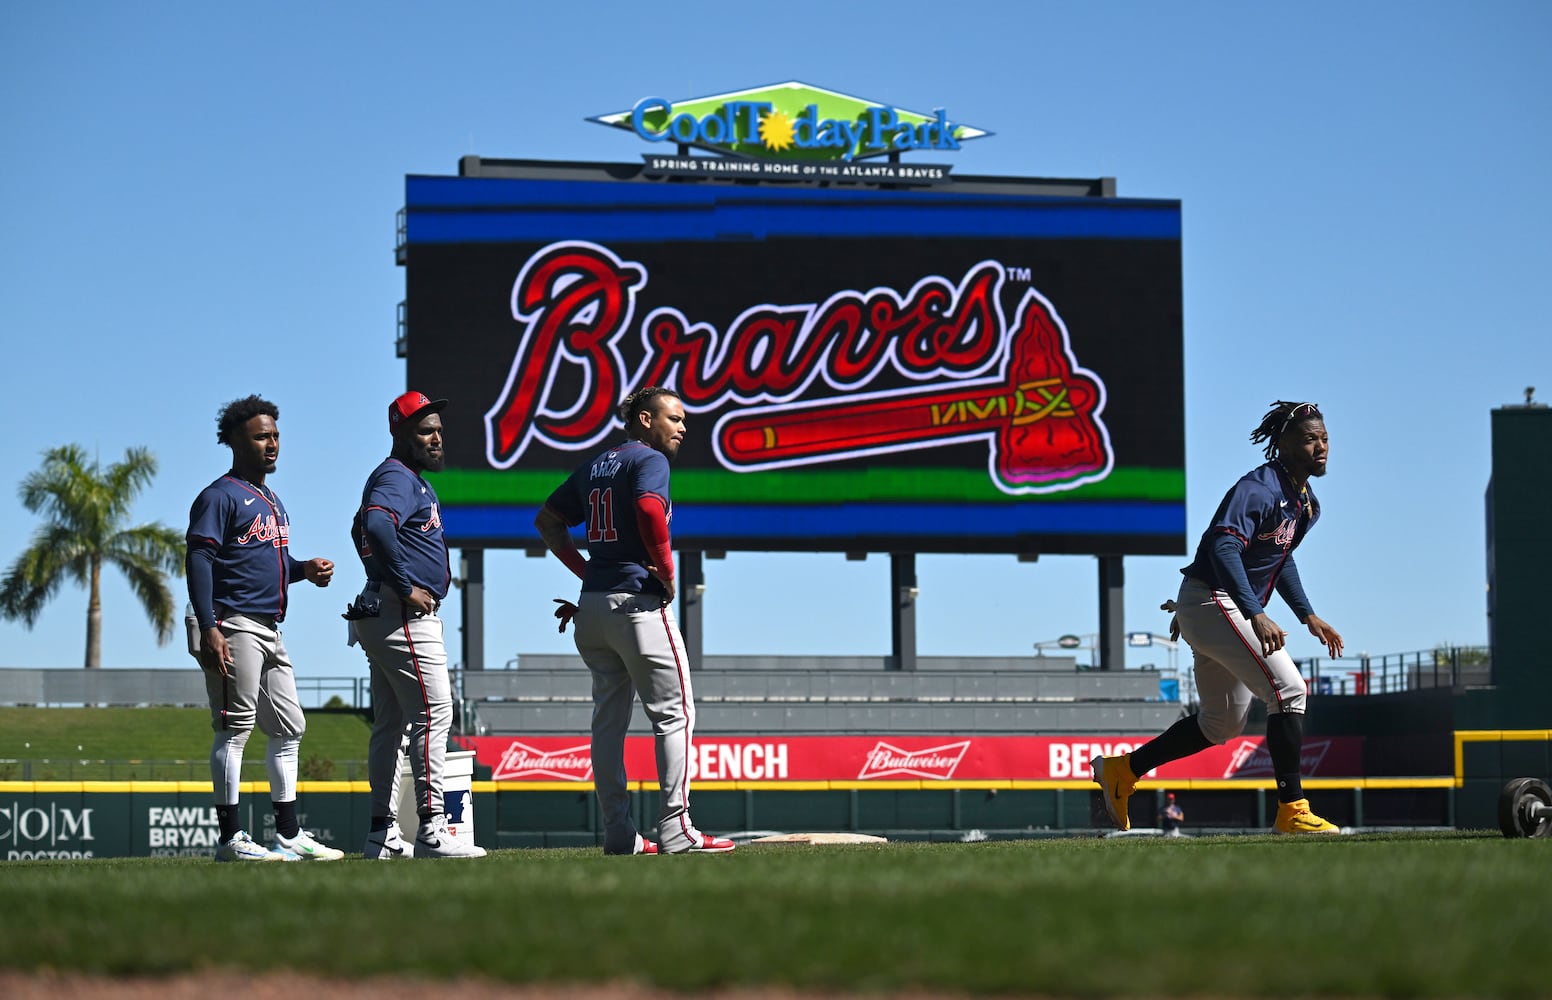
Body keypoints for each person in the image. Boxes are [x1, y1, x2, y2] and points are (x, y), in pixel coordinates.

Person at [1092, 400, 1345, 835]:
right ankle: (1292, 809)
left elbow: (1278, 558)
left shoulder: (1305, 503)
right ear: (1281, 444)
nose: (1320, 446)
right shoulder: (1259, 488)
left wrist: (1307, 614)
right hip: (1215, 599)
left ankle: (1123, 770)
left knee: (1222, 722)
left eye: (1324, 438)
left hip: (1211, 606)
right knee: (1289, 690)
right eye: (1308, 439)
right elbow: (1223, 547)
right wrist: (1256, 613)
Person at [535, 386, 735, 856]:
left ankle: (620, 833)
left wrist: (588, 573)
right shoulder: (650, 461)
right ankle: (675, 828)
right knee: (674, 714)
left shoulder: (596, 464)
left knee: (608, 723)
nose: (683, 427)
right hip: (637, 606)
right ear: (645, 420)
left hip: (595, 609)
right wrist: (666, 571)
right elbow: (648, 508)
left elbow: (547, 520)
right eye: (674, 417)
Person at [185, 394, 344, 861]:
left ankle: (289, 833)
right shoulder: (220, 495)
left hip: (269, 626)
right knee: (234, 729)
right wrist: (211, 626)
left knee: (289, 727)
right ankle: (231, 838)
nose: (272, 443)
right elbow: (199, 559)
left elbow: (262, 563)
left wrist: (302, 569)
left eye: (275, 435)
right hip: (232, 622)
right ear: (234, 440)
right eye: (260, 436)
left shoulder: (271, 498)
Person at [345, 391, 486, 859]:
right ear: (400, 433)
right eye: (425, 430)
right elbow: (376, 525)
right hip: (402, 613)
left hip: (383, 609)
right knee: (435, 713)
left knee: (390, 724)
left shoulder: (406, 479)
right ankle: (431, 828)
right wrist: (401, 584)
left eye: (439, 431)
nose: (436, 438)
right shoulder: (397, 476)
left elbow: (358, 528)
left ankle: (381, 833)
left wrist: (379, 573)